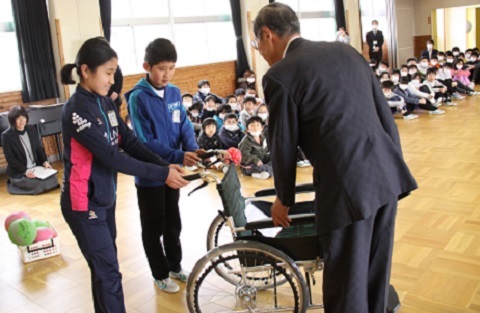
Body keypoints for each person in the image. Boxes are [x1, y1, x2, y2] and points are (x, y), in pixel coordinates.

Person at [252, 3, 417, 313]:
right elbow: (385, 117)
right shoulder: (347, 52)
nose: (259, 51)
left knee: (346, 283)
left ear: (267, 34)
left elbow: (282, 144)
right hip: (386, 174)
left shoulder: (280, 75)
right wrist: (393, 165)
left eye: (257, 44)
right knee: (375, 275)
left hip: (347, 188)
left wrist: (283, 199)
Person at [60, 37, 189, 313]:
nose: (112, 80)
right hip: (83, 204)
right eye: (108, 73)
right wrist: (162, 173)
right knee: (109, 274)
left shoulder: (105, 104)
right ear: (85, 71)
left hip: (105, 199)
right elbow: (113, 157)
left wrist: (164, 166)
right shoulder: (76, 110)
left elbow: (129, 142)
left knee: (105, 270)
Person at [125, 38, 203, 294]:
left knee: (173, 222)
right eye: (161, 68)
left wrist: (190, 148)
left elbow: (183, 123)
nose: (166, 74)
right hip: (150, 175)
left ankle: (174, 265)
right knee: (153, 225)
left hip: (174, 172)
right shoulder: (137, 98)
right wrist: (178, 155)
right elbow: (145, 141)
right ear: (147, 66)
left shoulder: (173, 92)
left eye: (172, 68)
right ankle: (159, 273)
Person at [1, 105, 59, 195]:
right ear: (13, 120)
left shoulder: (31, 129)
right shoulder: (6, 136)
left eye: (23, 117)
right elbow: (11, 159)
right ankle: (15, 184)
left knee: (53, 178)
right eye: (18, 119)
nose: (22, 121)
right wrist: (26, 171)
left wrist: (45, 162)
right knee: (38, 184)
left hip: (36, 168)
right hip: (21, 172)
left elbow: (39, 148)